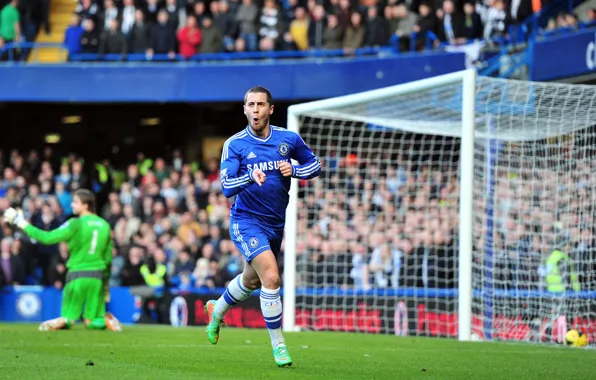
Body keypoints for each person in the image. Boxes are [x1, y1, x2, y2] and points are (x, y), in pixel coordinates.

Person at [204, 86, 321, 367]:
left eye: (260, 105)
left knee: (252, 280)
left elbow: (315, 165)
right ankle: (279, 346)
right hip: (246, 221)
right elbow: (226, 186)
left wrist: (295, 169)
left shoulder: (288, 139)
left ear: (270, 109)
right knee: (271, 277)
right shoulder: (235, 144)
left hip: (275, 224)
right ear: (244, 109)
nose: (255, 109)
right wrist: (248, 177)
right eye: (250, 105)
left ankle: (216, 311)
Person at [3, 189, 122, 332]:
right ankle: (105, 320)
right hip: (97, 277)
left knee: (69, 319)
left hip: (77, 276)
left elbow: (47, 238)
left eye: (75, 202)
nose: (72, 205)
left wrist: (20, 222)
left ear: (86, 205)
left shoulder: (75, 223)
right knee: (91, 321)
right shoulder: (105, 225)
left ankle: (62, 320)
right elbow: (108, 258)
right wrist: (106, 283)